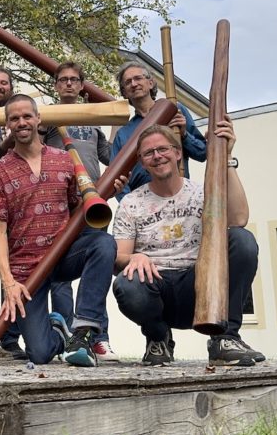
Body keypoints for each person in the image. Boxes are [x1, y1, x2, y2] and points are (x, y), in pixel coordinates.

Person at [111, 121, 265, 367]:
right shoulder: (131, 203)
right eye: (149, 153)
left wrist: (226, 157)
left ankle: (225, 338)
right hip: (156, 288)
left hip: (201, 284)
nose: (157, 156)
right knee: (126, 284)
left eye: (163, 149)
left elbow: (238, 219)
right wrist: (135, 258)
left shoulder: (202, 192)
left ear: (178, 152)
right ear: (142, 162)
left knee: (242, 240)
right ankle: (158, 338)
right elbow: (119, 257)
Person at [0, 94, 118, 367]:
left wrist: (109, 191)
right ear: (7, 124)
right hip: (26, 272)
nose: (21, 122)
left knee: (104, 243)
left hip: (62, 255)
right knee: (40, 354)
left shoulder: (65, 160)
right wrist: (8, 281)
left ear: (38, 119)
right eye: (15, 118)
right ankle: (59, 333)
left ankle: (83, 328)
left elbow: (78, 209)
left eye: (27, 116)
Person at [41, 61, 119, 361]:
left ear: (82, 85)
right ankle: (67, 336)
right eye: (63, 80)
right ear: (56, 86)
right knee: (59, 273)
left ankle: (99, 337)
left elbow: (109, 156)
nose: (69, 84)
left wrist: (115, 125)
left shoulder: (92, 118)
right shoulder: (48, 115)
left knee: (99, 263)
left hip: (92, 203)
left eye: (75, 80)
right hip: (59, 201)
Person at [111, 61, 205, 201]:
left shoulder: (174, 110)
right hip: (143, 203)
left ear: (150, 83)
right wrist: (131, 205)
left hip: (181, 198)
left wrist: (184, 135)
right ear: (124, 92)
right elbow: (117, 178)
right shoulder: (123, 134)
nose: (134, 84)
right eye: (128, 82)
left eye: (138, 78)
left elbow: (202, 153)